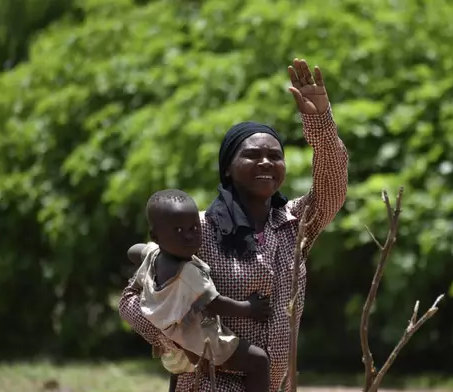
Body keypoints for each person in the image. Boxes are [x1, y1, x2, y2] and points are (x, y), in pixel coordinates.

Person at [118, 58, 349, 392]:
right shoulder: (197, 231)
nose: (266, 162)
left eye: (275, 155)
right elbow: (132, 299)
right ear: (228, 168)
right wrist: (178, 342)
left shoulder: (296, 225)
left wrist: (320, 121)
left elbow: (333, 183)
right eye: (253, 155)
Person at [127, 189, 272, 392]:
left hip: (173, 337)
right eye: (178, 231)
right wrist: (250, 307)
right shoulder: (189, 274)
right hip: (200, 341)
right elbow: (215, 304)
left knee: (179, 375)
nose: (188, 236)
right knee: (259, 361)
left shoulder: (154, 255)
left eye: (194, 228)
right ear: (156, 236)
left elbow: (134, 250)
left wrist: (148, 251)